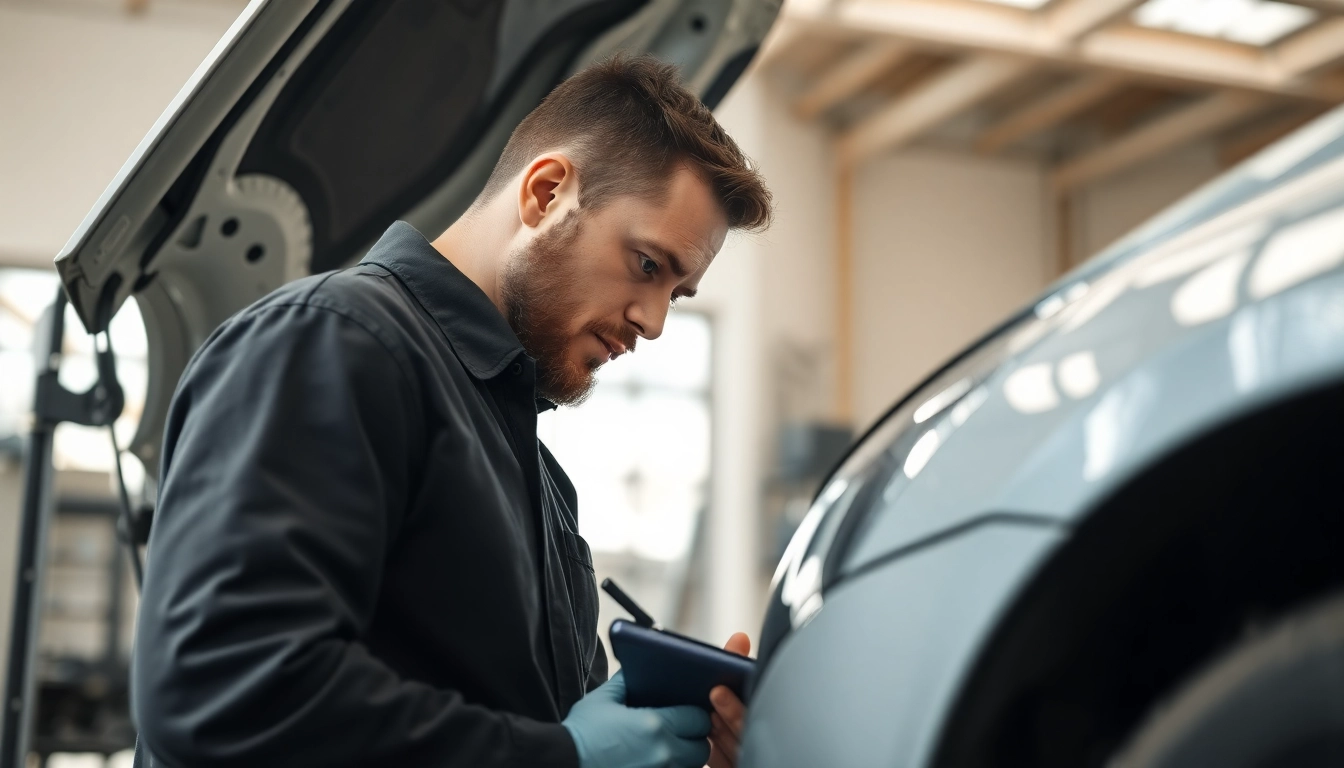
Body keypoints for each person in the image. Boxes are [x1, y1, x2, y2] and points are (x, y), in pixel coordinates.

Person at [130, 54, 773, 768]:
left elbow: (530, 731)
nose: (652, 323)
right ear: (547, 191)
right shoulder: (334, 342)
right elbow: (222, 696)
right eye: (648, 266)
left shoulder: (542, 482)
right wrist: (564, 757)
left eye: (677, 295)